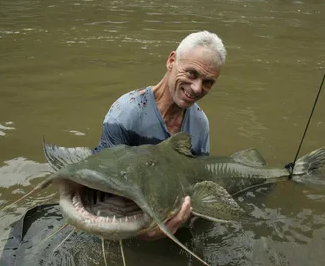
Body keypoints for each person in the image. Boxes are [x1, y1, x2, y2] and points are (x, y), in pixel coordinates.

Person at [93, 30, 226, 241]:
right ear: (171, 61)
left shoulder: (200, 124)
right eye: (191, 73)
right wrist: (142, 234)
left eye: (208, 82)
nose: (197, 88)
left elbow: (198, 182)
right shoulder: (126, 113)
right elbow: (103, 181)